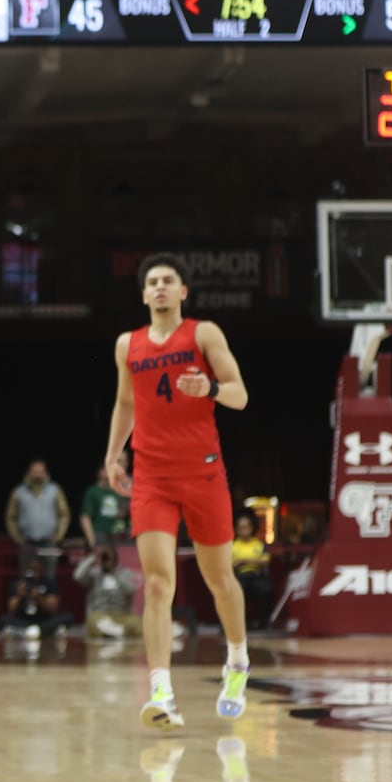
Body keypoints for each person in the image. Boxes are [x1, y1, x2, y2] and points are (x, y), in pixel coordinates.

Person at [104, 252, 251, 731]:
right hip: (152, 477)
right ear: (144, 294)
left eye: (169, 280)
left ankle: (237, 659)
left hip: (204, 474)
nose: (161, 287)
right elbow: (126, 402)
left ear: (183, 291)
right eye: (153, 282)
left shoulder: (203, 334)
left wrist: (207, 388)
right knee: (158, 582)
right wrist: (113, 454)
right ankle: (161, 691)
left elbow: (239, 394)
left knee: (219, 580)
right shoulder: (128, 344)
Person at [6, 460, 71, 557]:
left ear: (46, 473)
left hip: (49, 541)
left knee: (49, 572)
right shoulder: (18, 492)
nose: (38, 475)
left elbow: (64, 514)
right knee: (27, 572)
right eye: (35, 472)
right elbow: (10, 516)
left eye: (41, 472)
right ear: (28, 473)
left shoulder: (55, 490)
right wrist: (16, 536)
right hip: (26, 542)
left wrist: (59, 535)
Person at [76, 544, 142, 638]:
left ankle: (114, 631)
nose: (106, 560)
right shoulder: (95, 573)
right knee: (93, 621)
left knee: (137, 622)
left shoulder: (125, 573)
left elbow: (130, 589)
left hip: (121, 615)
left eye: (108, 558)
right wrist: (93, 557)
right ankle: (114, 631)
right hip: (100, 614)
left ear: (115, 559)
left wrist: (114, 573)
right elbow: (77, 576)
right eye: (104, 558)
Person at [2, 556, 73, 637]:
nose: (34, 573)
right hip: (23, 619)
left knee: (67, 617)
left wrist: (39, 597)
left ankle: (30, 631)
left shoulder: (49, 582)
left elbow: (53, 608)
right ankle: (39, 631)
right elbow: (11, 609)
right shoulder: (18, 583)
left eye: (36, 569)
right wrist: (20, 595)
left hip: (44, 619)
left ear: (41, 569)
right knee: (5, 619)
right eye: (31, 569)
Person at [230, 515, 271, 629]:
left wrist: (243, 560)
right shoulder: (232, 546)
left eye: (246, 527)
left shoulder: (259, 544)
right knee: (237, 592)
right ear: (236, 529)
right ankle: (240, 624)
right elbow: (229, 564)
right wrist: (251, 561)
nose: (244, 530)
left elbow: (265, 561)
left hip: (256, 575)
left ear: (252, 528)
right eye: (241, 528)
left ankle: (264, 623)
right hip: (240, 576)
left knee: (265, 590)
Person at [80, 458, 129, 548]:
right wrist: (92, 539)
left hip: (117, 536)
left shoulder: (118, 491)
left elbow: (123, 514)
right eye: (105, 469)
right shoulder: (93, 491)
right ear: (99, 472)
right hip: (99, 534)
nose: (108, 471)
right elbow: (85, 517)